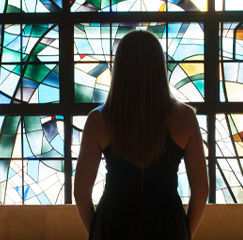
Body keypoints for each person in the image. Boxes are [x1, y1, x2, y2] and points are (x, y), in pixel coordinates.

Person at [74, 30, 208, 240]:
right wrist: (184, 234)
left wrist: (98, 232)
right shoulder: (185, 118)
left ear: (120, 68)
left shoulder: (98, 120)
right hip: (168, 224)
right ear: (159, 67)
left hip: (113, 223)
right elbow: (201, 191)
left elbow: (81, 193)